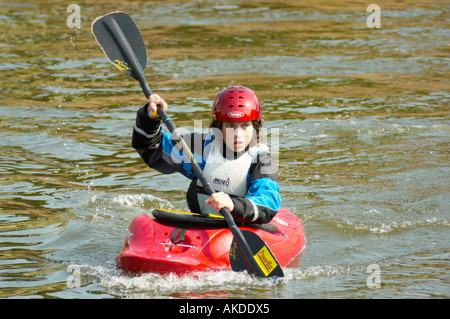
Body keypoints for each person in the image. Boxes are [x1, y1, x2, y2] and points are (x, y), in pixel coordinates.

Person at [132, 86, 280, 223]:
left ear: (255, 126)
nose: (238, 134)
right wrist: (149, 119)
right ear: (218, 127)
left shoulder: (262, 161)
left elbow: (268, 202)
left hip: (242, 226)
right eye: (230, 126)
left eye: (245, 125)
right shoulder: (201, 148)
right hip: (202, 224)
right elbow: (151, 148)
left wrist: (233, 205)